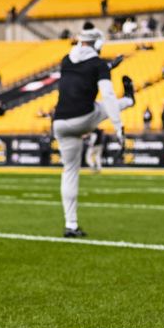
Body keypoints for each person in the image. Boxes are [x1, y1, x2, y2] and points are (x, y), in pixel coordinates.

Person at [50, 23, 136, 237]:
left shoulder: (66, 60)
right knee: (106, 105)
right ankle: (128, 100)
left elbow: (81, 75)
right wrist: (118, 127)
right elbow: (106, 95)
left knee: (69, 172)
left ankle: (70, 225)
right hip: (83, 119)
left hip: (59, 122)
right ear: (97, 44)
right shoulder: (98, 64)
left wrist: (107, 68)